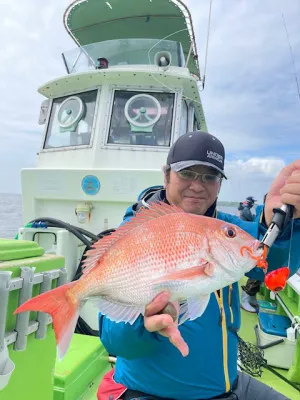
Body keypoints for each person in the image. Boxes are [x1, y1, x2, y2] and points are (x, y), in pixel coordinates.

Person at [97, 131, 300, 400]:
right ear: (166, 174)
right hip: (150, 392)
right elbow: (115, 341)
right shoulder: (136, 233)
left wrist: (281, 223)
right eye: (187, 173)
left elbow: (267, 263)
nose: (197, 185)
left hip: (227, 384)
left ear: (219, 184)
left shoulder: (226, 228)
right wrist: (142, 323)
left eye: (209, 176)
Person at [238, 196, 262, 312]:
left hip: (249, 237)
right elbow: (252, 220)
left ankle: (251, 296)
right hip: (248, 237)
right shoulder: (246, 209)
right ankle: (245, 297)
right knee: (255, 265)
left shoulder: (243, 207)